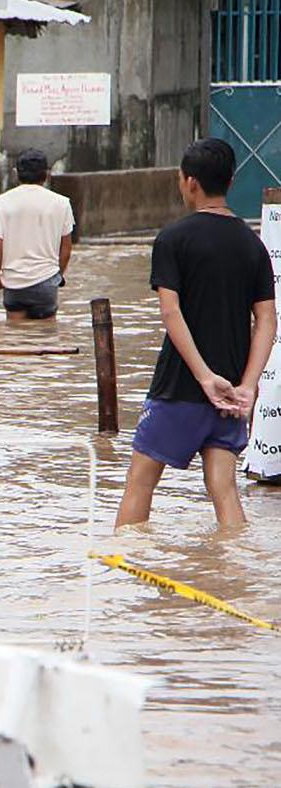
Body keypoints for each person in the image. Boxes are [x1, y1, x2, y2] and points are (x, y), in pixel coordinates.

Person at [115, 138, 277, 529]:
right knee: (223, 488)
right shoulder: (252, 244)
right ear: (231, 181)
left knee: (140, 483)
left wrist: (204, 377)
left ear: (189, 182)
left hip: (180, 388)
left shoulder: (173, 239)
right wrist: (249, 387)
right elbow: (267, 321)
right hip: (232, 394)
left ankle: (122, 574)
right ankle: (235, 575)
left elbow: (171, 312)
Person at [0, 149, 75, 320]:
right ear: (47, 174)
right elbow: (66, 248)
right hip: (46, 282)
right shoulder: (62, 203)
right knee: (47, 338)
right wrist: (57, 275)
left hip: (13, 283)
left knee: (15, 339)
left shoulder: (1, 202)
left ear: (16, 173)